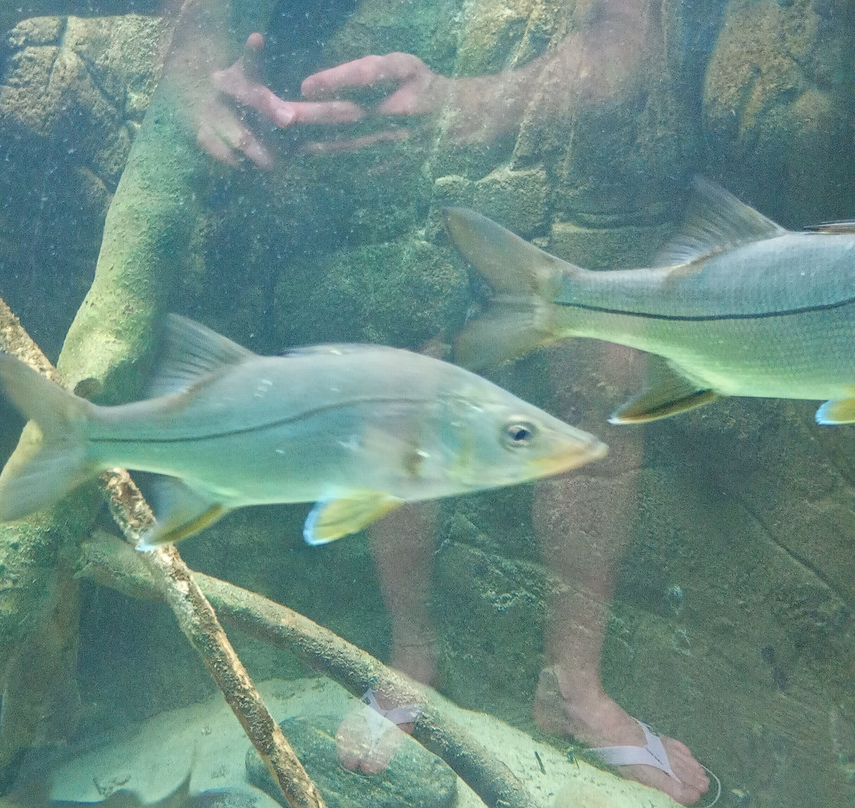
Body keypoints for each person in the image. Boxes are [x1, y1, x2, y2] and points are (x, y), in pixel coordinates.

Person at [161, 1, 711, 803]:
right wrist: (204, 95)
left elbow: (632, 28)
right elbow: (190, 24)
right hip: (332, 171)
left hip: (554, 138)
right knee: (391, 377)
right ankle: (409, 656)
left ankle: (574, 689)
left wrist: (473, 101)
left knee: (605, 367)